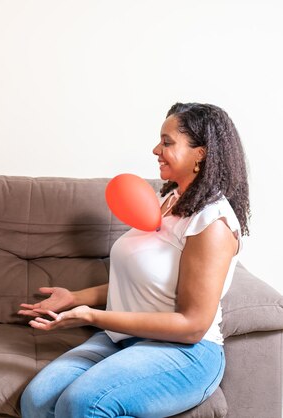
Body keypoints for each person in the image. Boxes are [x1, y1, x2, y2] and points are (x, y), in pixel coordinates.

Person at [18, 103, 250, 417]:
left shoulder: (212, 223)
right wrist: (74, 298)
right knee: (37, 400)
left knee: (83, 404)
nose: (156, 149)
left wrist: (93, 316)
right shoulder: (166, 200)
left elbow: (192, 326)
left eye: (167, 142)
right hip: (127, 338)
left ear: (201, 153)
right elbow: (145, 281)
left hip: (186, 351)